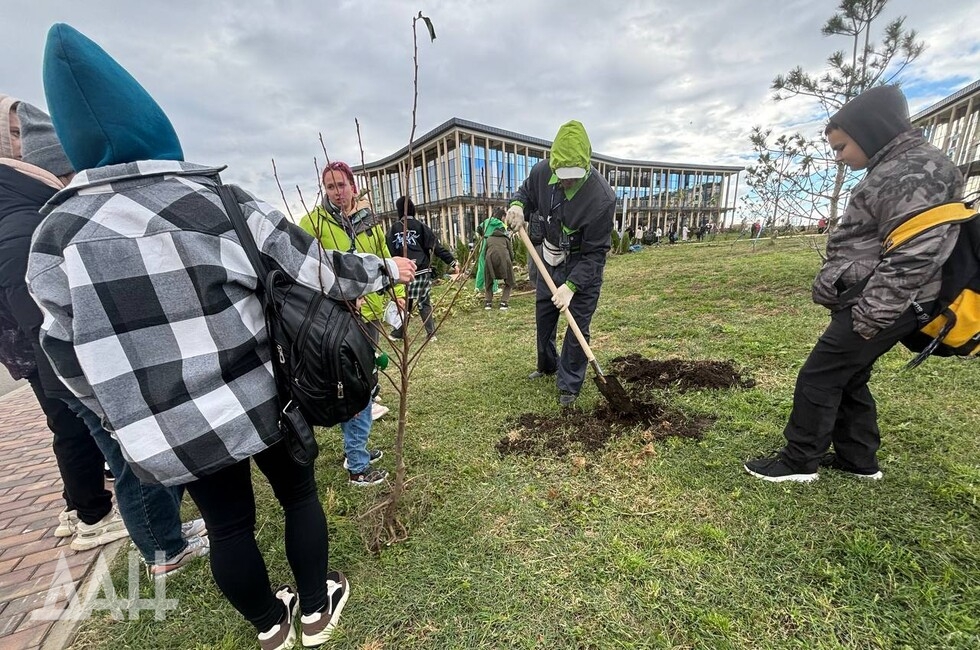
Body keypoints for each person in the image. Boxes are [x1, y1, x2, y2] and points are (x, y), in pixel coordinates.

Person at [28, 24, 414, 648]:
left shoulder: (56, 239)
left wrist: (119, 416)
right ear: (151, 121)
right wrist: (381, 269)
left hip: (176, 426)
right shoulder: (217, 200)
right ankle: (316, 609)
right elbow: (315, 265)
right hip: (263, 396)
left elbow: (63, 357)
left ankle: (271, 625)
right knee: (298, 497)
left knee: (228, 528)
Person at [3, 96, 208, 574]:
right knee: (131, 462)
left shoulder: (31, 213)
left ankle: (166, 534)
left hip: (93, 367)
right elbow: (42, 318)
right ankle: (164, 552)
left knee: (139, 455)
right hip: (83, 374)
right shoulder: (27, 223)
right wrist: (93, 386)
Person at [745, 85, 963, 483]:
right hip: (882, 297)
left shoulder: (914, 172)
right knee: (850, 373)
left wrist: (871, 313)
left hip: (890, 300)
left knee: (820, 374)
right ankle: (858, 459)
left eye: (842, 146)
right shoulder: (898, 166)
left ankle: (798, 462)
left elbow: (917, 252)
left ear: (871, 131)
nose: (839, 157)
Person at [298, 160, 405, 485]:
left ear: (353, 187)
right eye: (330, 186)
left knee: (366, 387)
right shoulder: (311, 223)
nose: (336, 192)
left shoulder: (368, 223)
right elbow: (305, 270)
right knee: (356, 388)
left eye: (341, 185)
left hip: (369, 317)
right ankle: (357, 464)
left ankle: (356, 448)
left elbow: (385, 261)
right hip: (337, 321)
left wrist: (396, 292)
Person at [504, 120, 615, 406]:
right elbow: (526, 193)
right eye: (562, 175)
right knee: (545, 315)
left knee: (577, 322)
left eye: (573, 176)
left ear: (586, 166)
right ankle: (547, 365)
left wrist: (572, 286)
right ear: (553, 164)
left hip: (582, 262)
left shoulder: (602, 199)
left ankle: (569, 383)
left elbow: (595, 253)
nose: (567, 181)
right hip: (549, 258)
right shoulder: (541, 172)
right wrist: (517, 206)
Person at [385, 196, 457, 339]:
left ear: (398, 210)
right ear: (413, 208)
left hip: (404, 272)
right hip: (422, 270)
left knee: (405, 304)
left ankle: (399, 333)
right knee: (424, 302)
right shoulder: (420, 226)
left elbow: (388, 253)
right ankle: (431, 334)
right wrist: (452, 262)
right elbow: (435, 246)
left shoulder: (393, 230)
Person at [477, 207, 514, 310]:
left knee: (486, 276)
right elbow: (511, 253)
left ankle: (487, 302)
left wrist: (483, 235)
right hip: (504, 259)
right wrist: (511, 260)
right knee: (509, 281)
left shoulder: (486, 222)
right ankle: (504, 303)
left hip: (486, 247)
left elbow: (478, 229)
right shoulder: (504, 233)